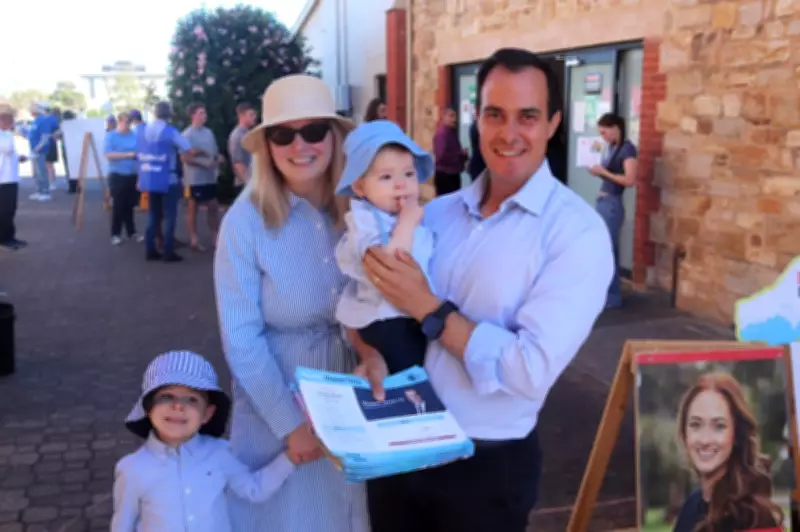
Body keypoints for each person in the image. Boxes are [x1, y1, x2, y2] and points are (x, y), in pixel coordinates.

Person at [355, 47, 614, 532]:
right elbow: (371, 302)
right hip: (397, 445)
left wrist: (430, 309)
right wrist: (369, 352)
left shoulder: (577, 233)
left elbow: (529, 369)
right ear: (478, 117)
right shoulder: (437, 213)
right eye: (495, 114)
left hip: (483, 469)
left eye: (527, 117)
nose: (508, 133)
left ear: (554, 123)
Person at [213, 74, 368, 532]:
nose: (300, 145)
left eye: (314, 130)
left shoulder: (362, 209)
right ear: (268, 146)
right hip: (280, 408)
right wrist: (291, 425)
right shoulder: (245, 221)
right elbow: (241, 339)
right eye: (284, 134)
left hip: (356, 402)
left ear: (334, 137)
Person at [111, 350, 295, 532]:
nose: (178, 406)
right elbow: (122, 526)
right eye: (167, 397)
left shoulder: (220, 453)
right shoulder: (132, 469)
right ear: (148, 407)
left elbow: (253, 489)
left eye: (192, 399)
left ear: (207, 414)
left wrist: (291, 457)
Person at [334, 119, 435, 375]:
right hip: (388, 322)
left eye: (409, 174)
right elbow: (391, 270)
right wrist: (407, 223)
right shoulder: (365, 221)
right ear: (360, 186)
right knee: (407, 380)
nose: (401, 184)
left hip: (413, 316)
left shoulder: (407, 216)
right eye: (386, 177)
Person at [672, 372, 783, 532]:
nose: (705, 440)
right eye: (695, 425)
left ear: (736, 434)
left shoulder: (754, 517)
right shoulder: (691, 507)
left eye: (719, 426)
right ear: (684, 433)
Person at [137, 101, 197, 263]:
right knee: (170, 215)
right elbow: (188, 149)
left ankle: (150, 249)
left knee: (153, 215)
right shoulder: (170, 131)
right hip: (168, 179)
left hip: (150, 177)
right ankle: (168, 251)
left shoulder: (142, 130)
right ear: (169, 114)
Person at [589, 112, 637, 309]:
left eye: (604, 132)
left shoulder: (627, 149)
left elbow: (630, 180)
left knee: (608, 249)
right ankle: (605, 292)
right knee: (603, 248)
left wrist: (604, 172)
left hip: (612, 204)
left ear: (615, 128)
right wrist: (598, 171)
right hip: (603, 201)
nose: (603, 137)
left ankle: (612, 295)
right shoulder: (611, 148)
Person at [182, 103, 222, 251]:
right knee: (193, 208)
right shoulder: (187, 135)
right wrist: (203, 164)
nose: (204, 116)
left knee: (213, 206)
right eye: (201, 113)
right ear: (193, 115)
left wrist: (218, 158)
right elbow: (184, 158)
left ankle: (216, 237)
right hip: (194, 179)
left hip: (209, 178)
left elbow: (214, 152)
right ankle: (194, 238)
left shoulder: (209, 133)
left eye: (205, 113)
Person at [104, 112, 142, 245]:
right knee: (118, 205)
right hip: (117, 174)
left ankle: (132, 232)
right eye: (126, 122)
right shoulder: (111, 136)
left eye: (129, 122)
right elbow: (108, 155)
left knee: (130, 205)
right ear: (119, 122)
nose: (128, 125)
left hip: (132, 174)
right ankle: (115, 233)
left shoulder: (135, 135)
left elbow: (140, 153)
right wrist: (128, 155)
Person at [0, 106, 28, 250]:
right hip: (3, 179)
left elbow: (11, 153)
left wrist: (19, 157)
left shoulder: (6, 135)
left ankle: (9, 236)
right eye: (11, 122)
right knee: (5, 210)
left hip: (10, 177)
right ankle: (4, 238)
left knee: (10, 209)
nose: (13, 124)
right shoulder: (5, 136)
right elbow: (7, 149)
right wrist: (10, 134)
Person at [432, 106, 466, 196]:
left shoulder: (452, 132)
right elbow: (441, 156)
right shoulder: (441, 134)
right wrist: (458, 156)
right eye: (451, 116)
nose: (454, 119)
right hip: (445, 176)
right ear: (444, 116)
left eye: (455, 116)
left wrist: (462, 154)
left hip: (453, 174)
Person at [227, 102, 257, 199]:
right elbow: (237, 162)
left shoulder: (250, 133)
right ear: (241, 116)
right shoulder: (237, 136)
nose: (254, 117)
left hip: (254, 182)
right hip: (244, 184)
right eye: (251, 115)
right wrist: (249, 183)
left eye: (254, 114)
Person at [26, 103, 52, 202]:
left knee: (42, 171)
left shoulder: (43, 120)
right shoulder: (36, 121)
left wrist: (37, 148)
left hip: (40, 150)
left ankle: (45, 192)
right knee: (37, 172)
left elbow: (45, 136)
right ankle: (39, 190)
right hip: (34, 150)